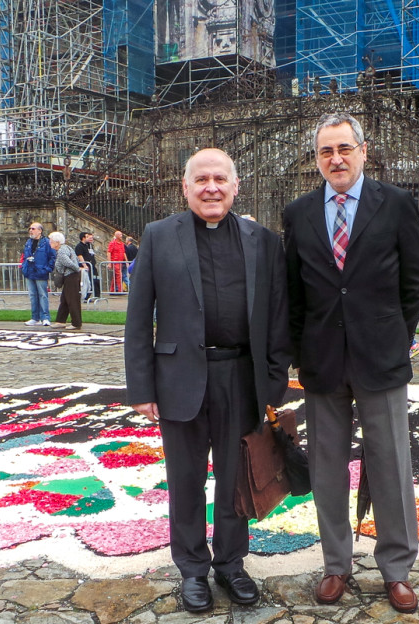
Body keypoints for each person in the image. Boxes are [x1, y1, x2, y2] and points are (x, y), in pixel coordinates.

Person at [125, 148, 291, 613]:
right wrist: (141, 387)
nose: (211, 187)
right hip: (179, 379)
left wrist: (274, 382)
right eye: (201, 179)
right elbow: (139, 318)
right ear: (185, 187)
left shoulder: (263, 240)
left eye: (220, 178)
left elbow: (278, 316)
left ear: (236, 186)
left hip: (243, 377)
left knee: (237, 478)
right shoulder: (159, 236)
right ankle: (193, 569)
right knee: (185, 479)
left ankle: (232, 564)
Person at [283, 112, 419, 614]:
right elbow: (294, 293)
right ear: (317, 159)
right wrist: (301, 355)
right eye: (326, 151)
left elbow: (415, 282)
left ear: (363, 151)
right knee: (327, 470)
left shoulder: (396, 204)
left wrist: (394, 337)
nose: (336, 159)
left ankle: (396, 570)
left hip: (381, 360)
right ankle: (336, 565)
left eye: (344, 148)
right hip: (322, 363)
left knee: (390, 464)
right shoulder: (298, 212)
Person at [21, 222, 55, 326]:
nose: (31, 230)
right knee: (32, 295)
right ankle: (35, 317)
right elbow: (25, 256)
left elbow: (52, 257)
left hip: (41, 271)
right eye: (30, 228)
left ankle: (45, 317)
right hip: (30, 272)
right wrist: (24, 267)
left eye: (33, 228)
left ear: (40, 230)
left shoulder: (46, 242)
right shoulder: (28, 242)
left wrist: (47, 269)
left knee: (43, 295)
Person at [49, 231, 82, 330]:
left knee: (72, 300)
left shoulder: (62, 251)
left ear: (57, 242)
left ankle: (76, 323)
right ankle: (60, 321)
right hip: (71, 276)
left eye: (51, 241)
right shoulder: (66, 248)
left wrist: (76, 268)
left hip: (71, 276)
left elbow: (68, 262)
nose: (50, 243)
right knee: (64, 299)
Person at [75, 231, 97, 301]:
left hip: (90, 265)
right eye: (87, 237)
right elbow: (80, 256)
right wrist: (84, 265)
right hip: (84, 266)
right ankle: (84, 296)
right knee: (85, 281)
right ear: (83, 238)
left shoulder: (87, 245)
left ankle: (88, 295)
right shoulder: (79, 246)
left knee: (90, 281)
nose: (88, 238)